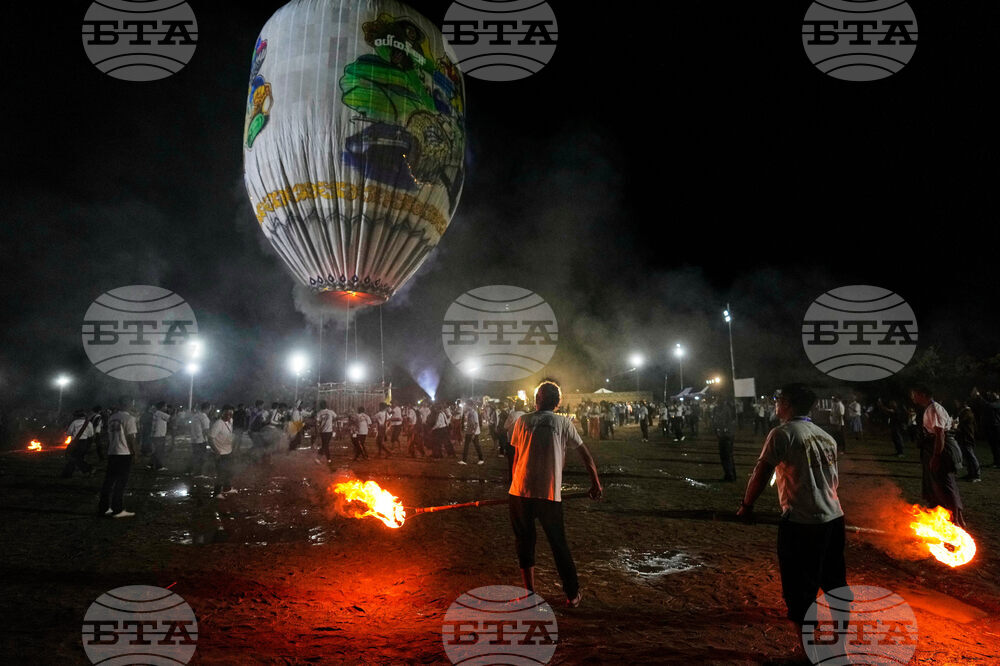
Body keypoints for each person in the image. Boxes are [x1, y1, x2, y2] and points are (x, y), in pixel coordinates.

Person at [737, 383, 846, 627]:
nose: (775, 404)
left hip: (801, 523)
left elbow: (761, 473)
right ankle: (840, 639)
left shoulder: (782, 434)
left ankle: (807, 647)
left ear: (786, 403)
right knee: (834, 581)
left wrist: (746, 506)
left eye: (778, 400)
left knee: (799, 588)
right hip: (834, 518)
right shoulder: (826, 437)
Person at [508, 381, 602, 608]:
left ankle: (529, 593)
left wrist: (515, 485)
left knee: (525, 543)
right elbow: (585, 455)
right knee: (558, 543)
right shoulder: (563, 422)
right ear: (557, 402)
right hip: (547, 493)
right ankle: (572, 594)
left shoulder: (523, 421)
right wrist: (595, 483)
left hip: (520, 493)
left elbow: (515, 459)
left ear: (537, 400)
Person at [910, 386, 966, 528]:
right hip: (935, 447)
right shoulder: (930, 408)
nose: (913, 398)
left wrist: (936, 456)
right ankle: (953, 517)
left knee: (945, 484)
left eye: (914, 394)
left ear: (923, 394)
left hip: (942, 449)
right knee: (939, 484)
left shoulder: (934, 409)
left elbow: (940, 434)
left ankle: (956, 519)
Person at [98, 400, 138, 518]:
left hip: (112, 452)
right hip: (124, 453)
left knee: (109, 481)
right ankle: (117, 509)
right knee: (121, 482)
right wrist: (135, 453)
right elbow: (131, 438)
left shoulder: (112, 417)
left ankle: (103, 508)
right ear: (129, 405)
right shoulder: (129, 418)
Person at [208, 405, 237, 497]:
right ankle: (217, 493)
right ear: (222, 413)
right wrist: (216, 451)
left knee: (228, 471)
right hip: (220, 453)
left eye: (231, 414)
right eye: (227, 413)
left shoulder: (231, 421)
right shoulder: (218, 424)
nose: (229, 416)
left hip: (228, 451)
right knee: (221, 473)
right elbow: (210, 438)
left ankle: (227, 488)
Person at [970, 388, 1000, 468]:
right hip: (992, 427)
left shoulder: (998, 403)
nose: (992, 395)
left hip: (997, 427)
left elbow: (989, 406)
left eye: (994, 393)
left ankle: (998, 462)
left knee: (997, 445)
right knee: (993, 445)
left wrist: (979, 396)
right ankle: (996, 462)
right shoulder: (993, 402)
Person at [954, 399, 982, 483]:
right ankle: (970, 473)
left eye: (957, 402)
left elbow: (961, 424)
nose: (956, 404)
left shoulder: (966, 412)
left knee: (971, 456)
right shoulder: (966, 412)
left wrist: (956, 426)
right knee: (967, 456)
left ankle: (977, 475)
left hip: (967, 437)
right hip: (965, 436)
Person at [61, 409, 95, 478]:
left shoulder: (74, 422)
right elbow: (91, 434)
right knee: (78, 458)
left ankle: (88, 468)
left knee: (72, 458)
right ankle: (70, 473)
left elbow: (69, 433)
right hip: (84, 442)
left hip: (75, 442)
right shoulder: (89, 423)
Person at [713, 399, 737, 482]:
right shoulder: (729, 408)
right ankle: (732, 474)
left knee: (725, 456)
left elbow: (722, 421)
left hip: (725, 435)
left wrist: (720, 431)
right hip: (728, 434)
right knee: (729, 456)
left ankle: (729, 475)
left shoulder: (723, 409)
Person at [188, 402, 211, 475]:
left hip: (193, 440)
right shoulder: (204, 417)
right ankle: (198, 472)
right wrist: (210, 441)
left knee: (195, 456)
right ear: (208, 408)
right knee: (201, 457)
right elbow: (206, 430)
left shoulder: (195, 415)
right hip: (201, 441)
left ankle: (193, 471)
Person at [460, 400, 484, 465]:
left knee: (477, 446)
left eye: (466, 405)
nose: (465, 406)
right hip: (469, 432)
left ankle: (481, 459)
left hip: (474, 433)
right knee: (466, 446)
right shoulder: (469, 412)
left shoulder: (474, 413)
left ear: (469, 405)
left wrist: (473, 433)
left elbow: (476, 424)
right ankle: (464, 460)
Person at [148, 401, 170, 471]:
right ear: (162, 407)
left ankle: (150, 464)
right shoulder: (161, 413)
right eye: (165, 406)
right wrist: (171, 412)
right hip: (159, 435)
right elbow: (170, 419)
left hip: (154, 435)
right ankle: (159, 466)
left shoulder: (156, 413)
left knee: (156, 451)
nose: (166, 408)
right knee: (160, 452)